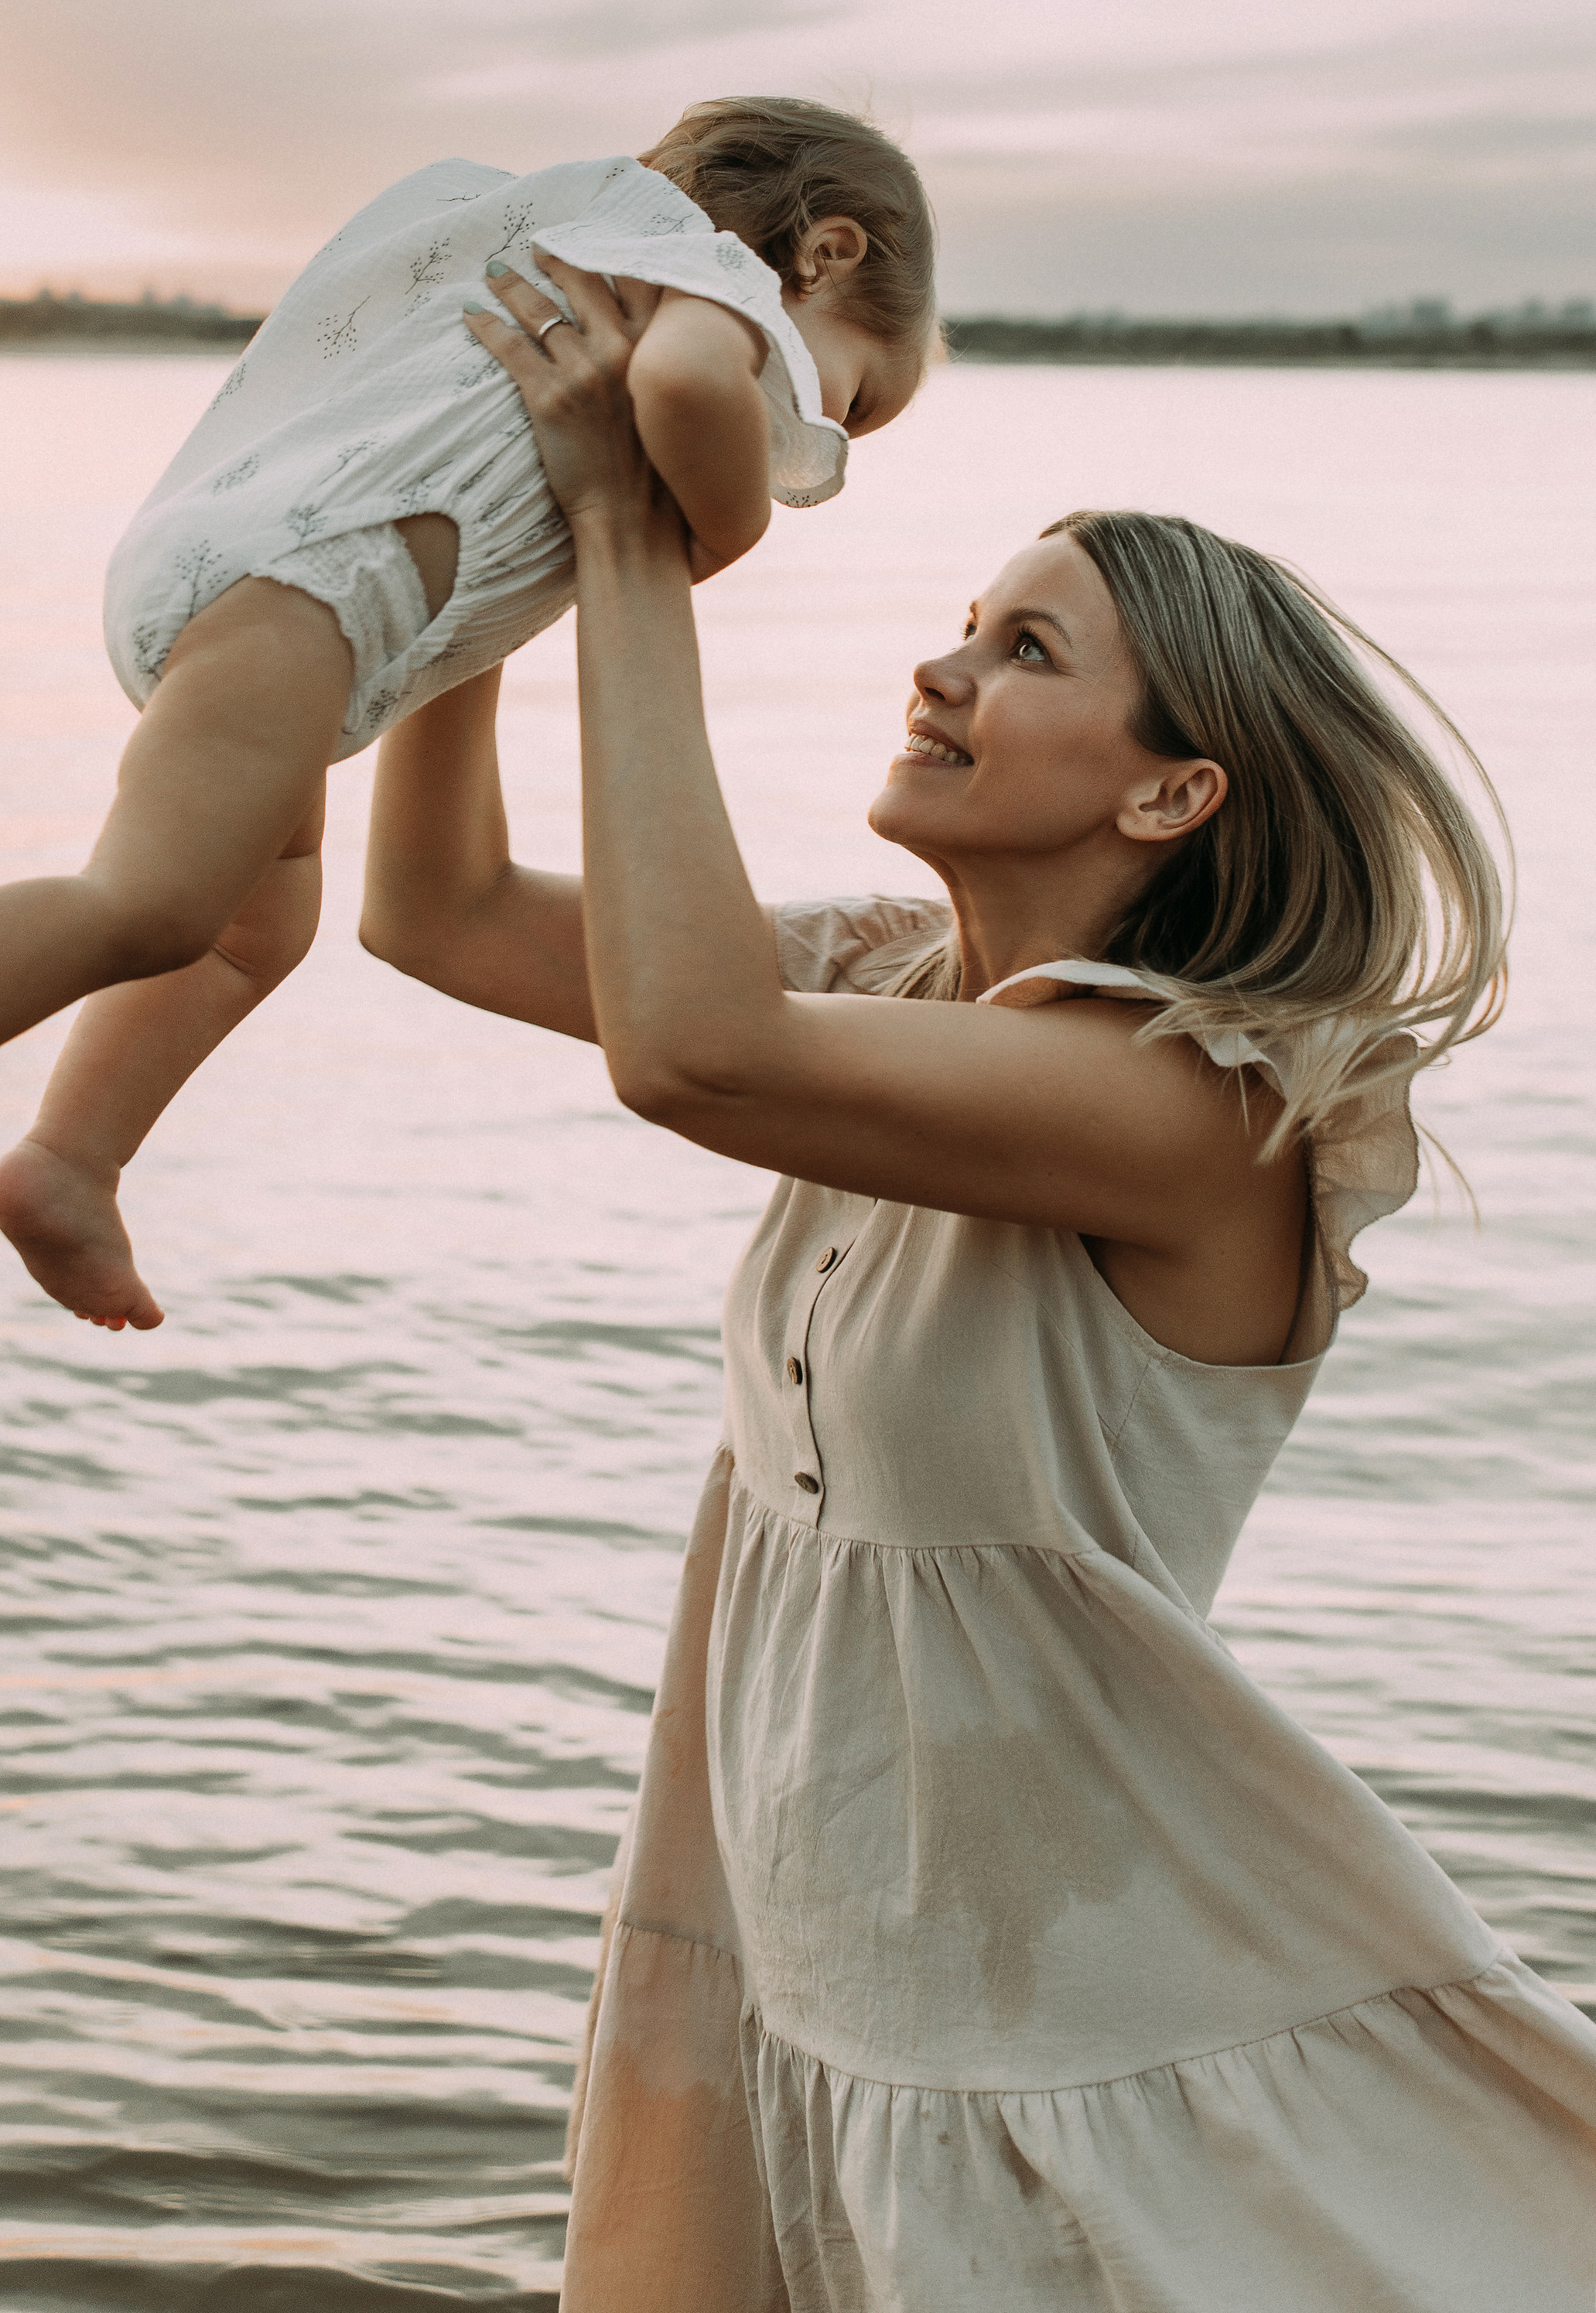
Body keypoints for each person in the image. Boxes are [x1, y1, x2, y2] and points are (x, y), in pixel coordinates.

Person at [358, 258, 1596, 2309]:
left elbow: (690, 1049)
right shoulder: (884, 980)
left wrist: (626, 525)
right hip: (830, 1960)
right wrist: (510, 536)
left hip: (1097, 2018)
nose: (938, 670)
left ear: (1171, 787)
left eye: (1022, 648)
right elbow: (437, 907)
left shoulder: (1195, 1106)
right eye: (961, 623)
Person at [0, 98, 935, 1325]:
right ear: (826, 253)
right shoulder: (712, 295)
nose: (825, 436)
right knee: (150, 900)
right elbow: (688, 384)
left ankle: (70, 1160)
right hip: (305, 594)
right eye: (859, 400)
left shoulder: (589, 260)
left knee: (256, 928)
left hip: (281, 588)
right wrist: (723, 530)